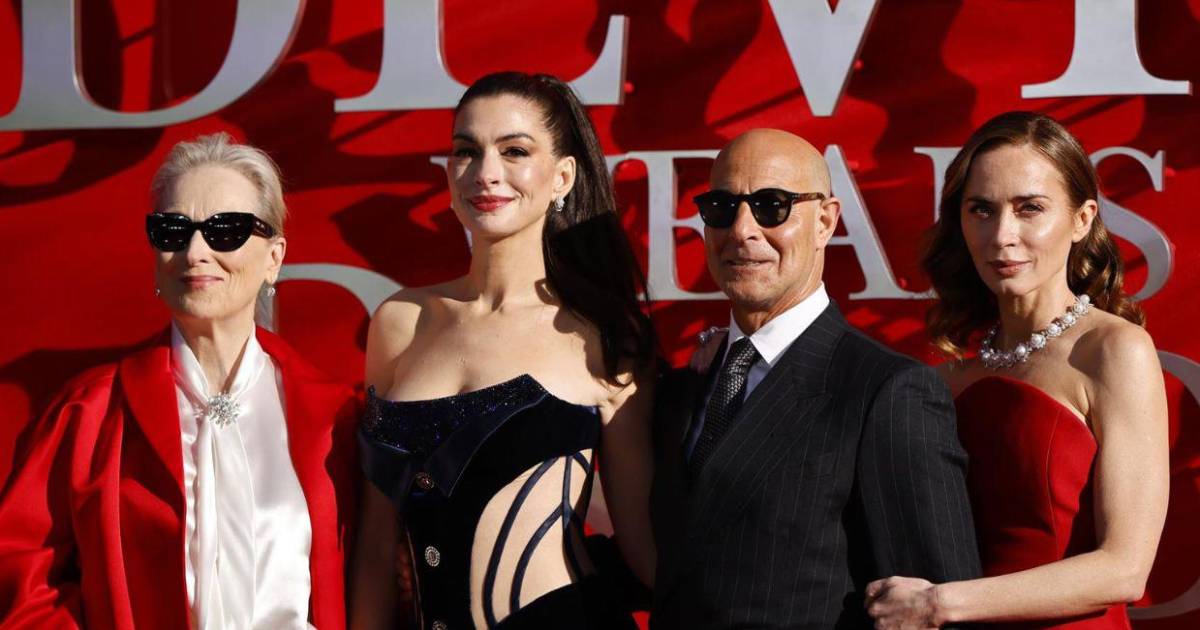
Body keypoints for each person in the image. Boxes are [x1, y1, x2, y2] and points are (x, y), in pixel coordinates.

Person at [0, 132, 359, 629]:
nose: (195, 252)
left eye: (226, 230)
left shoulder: (337, 418)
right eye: (172, 230)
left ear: (274, 258)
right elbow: (21, 579)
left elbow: (381, 579)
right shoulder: (87, 414)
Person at [350, 72, 657, 630]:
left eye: (514, 151)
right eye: (467, 151)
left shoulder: (604, 336)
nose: (486, 172)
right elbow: (374, 545)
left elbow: (644, 548)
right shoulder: (399, 322)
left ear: (563, 176)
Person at [649, 128, 981, 629]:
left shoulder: (887, 391)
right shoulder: (685, 390)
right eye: (722, 207)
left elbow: (933, 609)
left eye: (772, 206)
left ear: (825, 221)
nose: (742, 229)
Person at [866, 111, 1168, 629]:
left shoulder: (1112, 350)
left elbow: (1124, 569)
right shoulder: (946, 379)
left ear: (1082, 219)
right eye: (981, 210)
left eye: (1030, 208)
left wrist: (938, 604)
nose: (1002, 235)